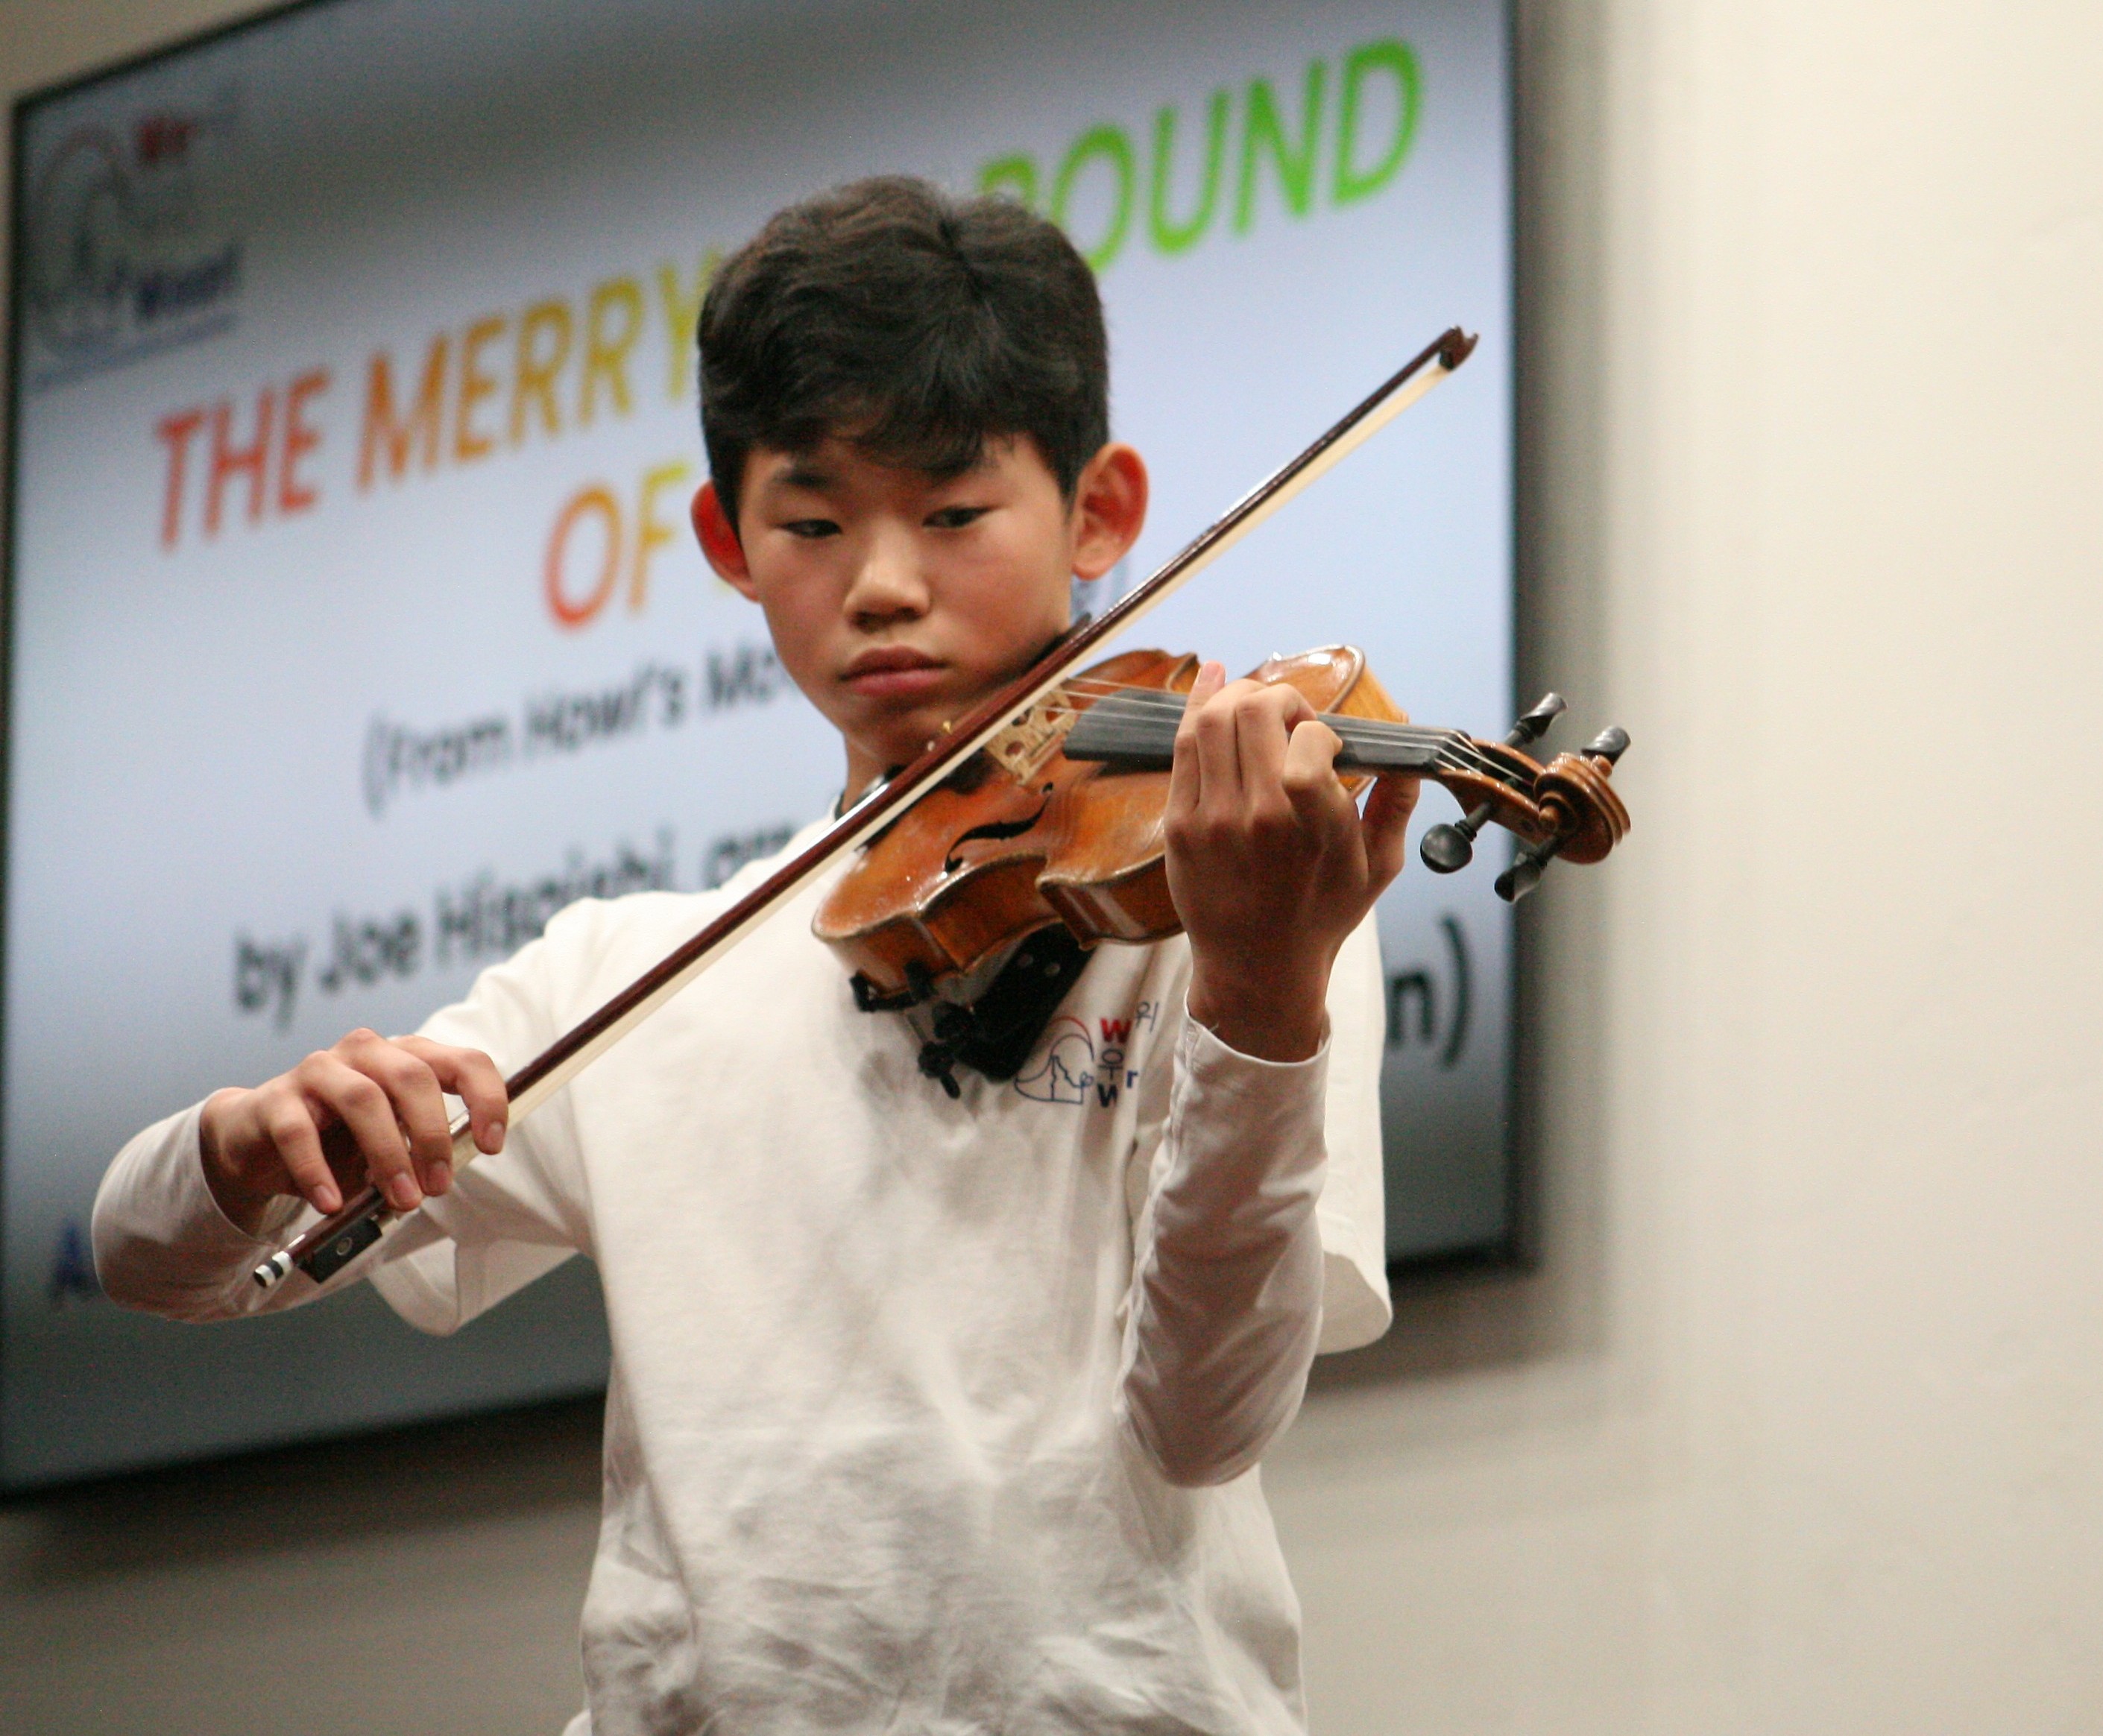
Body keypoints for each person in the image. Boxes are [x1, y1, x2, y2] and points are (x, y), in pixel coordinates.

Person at [94, 177, 1417, 1733]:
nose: (882, 583)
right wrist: (241, 1149)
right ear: (726, 539)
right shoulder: (630, 974)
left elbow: (1206, 1424)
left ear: (1101, 512)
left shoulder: (1231, 901)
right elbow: (155, 1263)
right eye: (813, 521)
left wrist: (1260, 997)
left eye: (952, 513)